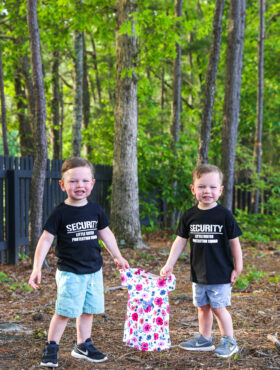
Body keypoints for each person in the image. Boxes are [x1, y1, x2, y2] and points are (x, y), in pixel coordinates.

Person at [28, 157, 129, 367]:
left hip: (94, 271)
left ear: (92, 184)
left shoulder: (95, 210)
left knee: (88, 310)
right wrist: (37, 266)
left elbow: (106, 234)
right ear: (62, 185)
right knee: (65, 311)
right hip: (71, 272)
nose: (79, 185)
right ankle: (51, 346)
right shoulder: (60, 213)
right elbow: (46, 239)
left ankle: (83, 345)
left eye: (84, 181)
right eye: (73, 181)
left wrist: (118, 257)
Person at [160, 164, 243, 359]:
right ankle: (205, 339)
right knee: (202, 307)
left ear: (220, 190)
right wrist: (169, 263)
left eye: (213, 187)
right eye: (202, 186)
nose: (207, 191)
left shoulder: (224, 215)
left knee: (218, 307)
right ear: (193, 189)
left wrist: (238, 266)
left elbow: (235, 243)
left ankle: (229, 340)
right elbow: (180, 241)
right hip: (198, 273)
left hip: (220, 272)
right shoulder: (189, 215)